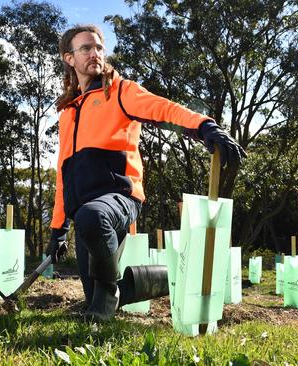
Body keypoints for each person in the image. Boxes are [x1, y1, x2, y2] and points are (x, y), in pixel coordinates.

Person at [45, 24, 243, 322]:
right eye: (85, 48)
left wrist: (204, 126)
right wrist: (58, 229)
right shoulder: (68, 113)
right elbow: (63, 172)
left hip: (119, 197)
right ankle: (169, 278)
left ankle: (106, 299)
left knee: (92, 220)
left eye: (99, 47)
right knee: (97, 292)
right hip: (84, 210)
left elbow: (164, 109)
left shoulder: (120, 91)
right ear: (69, 58)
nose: (94, 53)